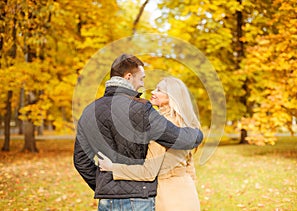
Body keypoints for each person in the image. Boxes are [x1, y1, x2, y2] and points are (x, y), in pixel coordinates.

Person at [73, 54, 203, 211]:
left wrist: (105, 186)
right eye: (141, 79)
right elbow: (178, 138)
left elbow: (81, 161)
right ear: (129, 77)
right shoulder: (142, 109)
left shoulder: (89, 111)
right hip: (139, 198)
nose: (143, 85)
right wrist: (197, 134)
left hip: (107, 200)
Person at [98, 77, 201, 211]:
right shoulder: (187, 124)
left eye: (159, 90)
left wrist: (113, 167)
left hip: (168, 197)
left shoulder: (161, 127)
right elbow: (189, 167)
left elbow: (148, 172)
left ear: (171, 97)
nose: (153, 92)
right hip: (188, 194)